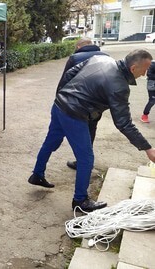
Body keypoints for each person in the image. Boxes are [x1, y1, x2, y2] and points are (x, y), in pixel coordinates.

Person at [28, 49, 155, 212]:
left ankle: (37, 174)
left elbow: (69, 74)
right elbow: (123, 123)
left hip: (59, 105)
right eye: (144, 70)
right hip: (74, 115)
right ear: (133, 68)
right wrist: (147, 148)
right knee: (86, 158)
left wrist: (62, 95)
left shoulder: (100, 59)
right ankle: (80, 200)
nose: (144, 75)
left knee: (50, 143)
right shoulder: (119, 86)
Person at [57, 37, 109, 170]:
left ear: (79, 47)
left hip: (77, 103)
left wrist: (58, 99)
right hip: (97, 104)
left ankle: (82, 161)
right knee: (91, 130)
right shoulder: (107, 57)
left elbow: (65, 80)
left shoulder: (75, 58)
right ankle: (86, 160)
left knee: (76, 132)